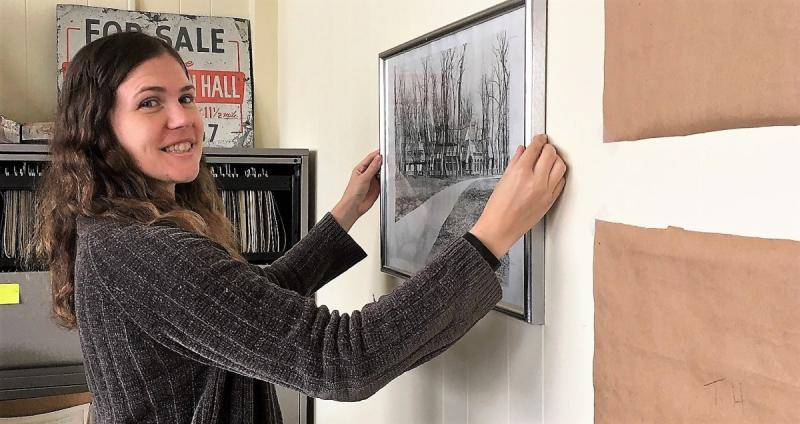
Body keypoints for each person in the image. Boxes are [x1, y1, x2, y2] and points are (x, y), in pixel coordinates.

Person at [32, 32, 566, 424]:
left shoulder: (115, 225)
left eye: (187, 97)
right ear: (101, 128)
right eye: (150, 103)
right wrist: (494, 230)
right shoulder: (144, 250)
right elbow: (343, 358)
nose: (184, 119)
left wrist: (345, 214)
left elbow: (246, 307)